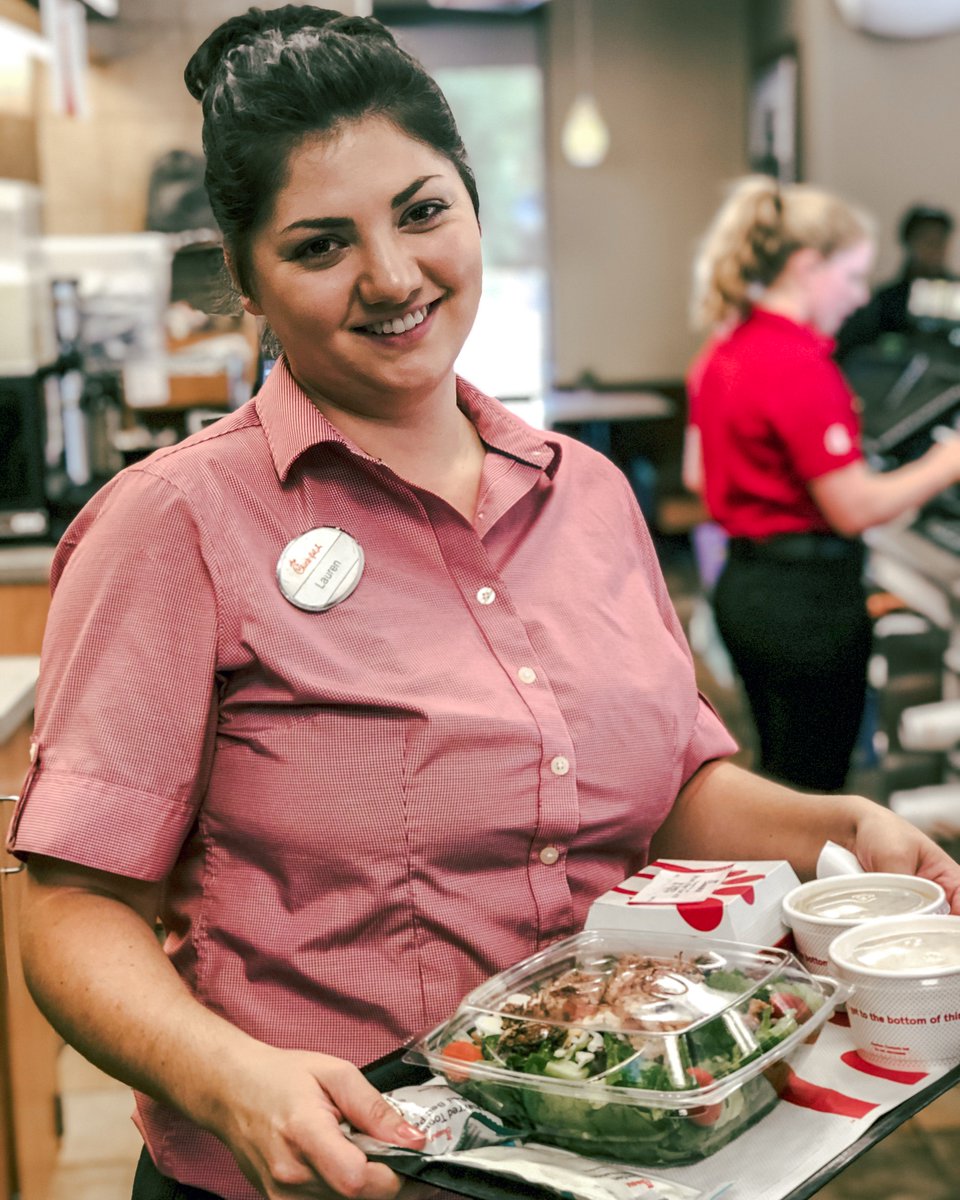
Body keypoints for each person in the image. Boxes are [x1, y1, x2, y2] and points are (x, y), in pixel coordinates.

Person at [8, 17, 960, 1200]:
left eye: (420, 211)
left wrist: (833, 826)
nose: (394, 277)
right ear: (245, 280)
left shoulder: (591, 494)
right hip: (337, 1168)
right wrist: (228, 1077)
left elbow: (667, 790)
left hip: (619, 1150)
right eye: (319, 245)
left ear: (470, 200)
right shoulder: (178, 524)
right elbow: (75, 910)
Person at [684, 176, 960, 794]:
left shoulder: (724, 347)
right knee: (816, 789)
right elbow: (854, 507)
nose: (860, 296)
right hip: (808, 605)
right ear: (809, 267)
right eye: (853, 276)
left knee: (782, 771)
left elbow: (697, 476)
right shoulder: (800, 363)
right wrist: (948, 464)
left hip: (747, 588)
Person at [835, 202, 955, 360]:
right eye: (926, 239)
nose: (934, 247)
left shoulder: (956, 294)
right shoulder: (885, 301)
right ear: (909, 242)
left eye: (940, 239)